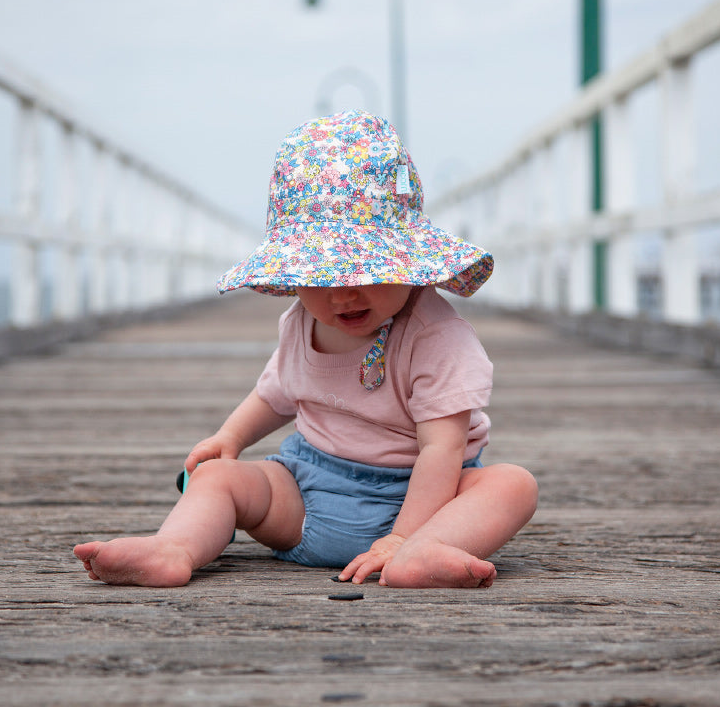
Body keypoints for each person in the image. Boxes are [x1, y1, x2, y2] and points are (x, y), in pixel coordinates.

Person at [74, 110, 538, 589]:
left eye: (362, 271)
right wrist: (229, 439)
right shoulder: (300, 322)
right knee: (219, 479)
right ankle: (173, 549)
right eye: (319, 278)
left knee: (511, 485)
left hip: (423, 500)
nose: (341, 295)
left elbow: (442, 450)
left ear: (406, 261)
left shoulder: (435, 336)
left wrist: (401, 537)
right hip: (308, 489)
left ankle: (423, 553)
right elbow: (276, 392)